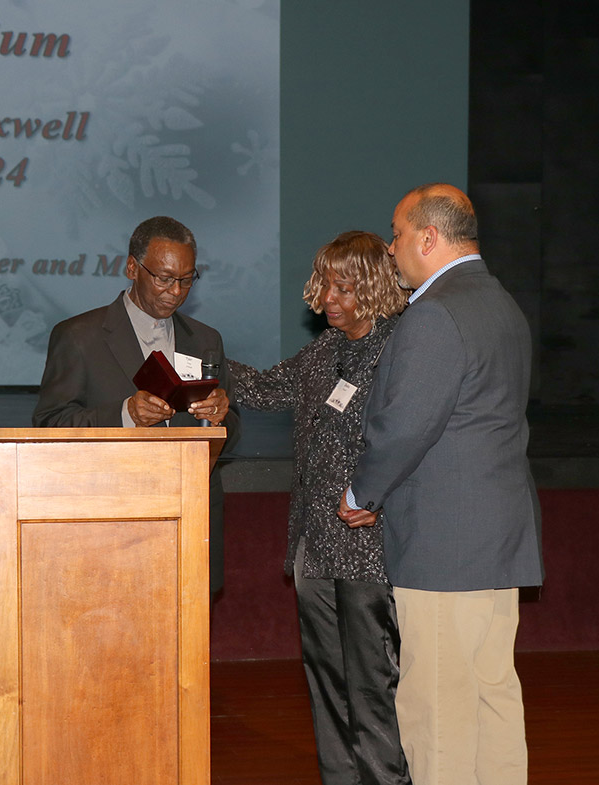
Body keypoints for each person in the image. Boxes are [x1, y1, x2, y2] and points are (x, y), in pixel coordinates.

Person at [339, 184, 544, 785]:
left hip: (444, 546)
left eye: (398, 234)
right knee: (491, 697)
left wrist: (361, 494)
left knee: (436, 709)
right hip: (496, 539)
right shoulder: (500, 303)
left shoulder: (434, 312)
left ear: (428, 238)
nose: (392, 246)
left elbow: (405, 427)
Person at [229, 231, 411, 785]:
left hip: (370, 553)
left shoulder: (400, 350)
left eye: (343, 286)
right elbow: (260, 389)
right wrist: (194, 353)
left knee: (372, 686)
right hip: (316, 549)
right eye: (326, 284)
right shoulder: (324, 352)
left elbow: (416, 442)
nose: (329, 297)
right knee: (327, 680)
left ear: (373, 285)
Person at [32, 215, 240, 593]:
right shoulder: (79, 337)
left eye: (186, 279)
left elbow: (232, 432)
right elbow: (49, 425)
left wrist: (221, 417)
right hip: (109, 524)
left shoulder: (206, 340)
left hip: (190, 524)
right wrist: (125, 414)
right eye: (163, 278)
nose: (175, 292)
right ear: (132, 267)